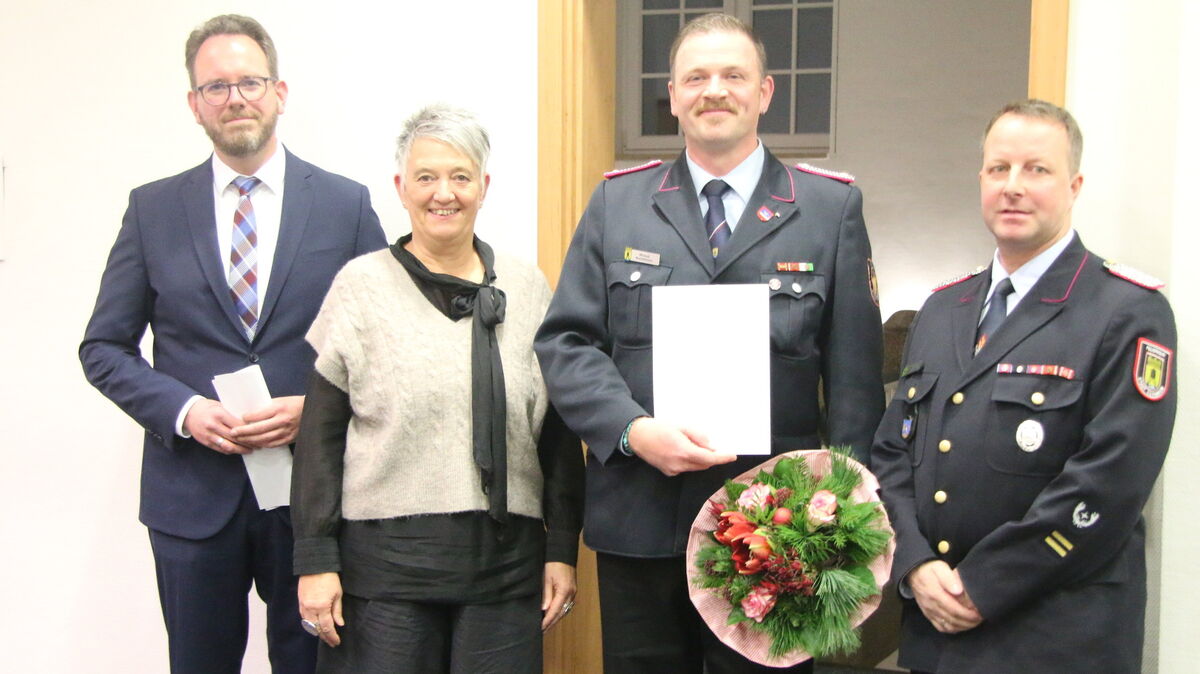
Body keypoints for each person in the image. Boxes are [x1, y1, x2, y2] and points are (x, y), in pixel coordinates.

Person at [534, 13, 883, 673]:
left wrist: (837, 521)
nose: (713, 90)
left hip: (778, 532)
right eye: (696, 77)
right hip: (643, 518)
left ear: (765, 92)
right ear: (672, 95)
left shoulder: (829, 209)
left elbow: (857, 385)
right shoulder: (618, 204)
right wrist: (633, 431)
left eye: (733, 75)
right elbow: (568, 344)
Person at [79, 14, 386, 674]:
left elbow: (390, 348)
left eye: (248, 81)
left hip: (312, 501)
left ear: (279, 90)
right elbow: (103, 347)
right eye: (216, 87)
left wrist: (315, 408)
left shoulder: (343, 205)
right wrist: (185, 413)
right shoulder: (152, 210)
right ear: (194, 105)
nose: (235, 98)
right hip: (192, 498)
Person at [870, 99, 1177, 673]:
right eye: (999, 169)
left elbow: (1109, 482)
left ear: (1074, 184)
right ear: (981, 179)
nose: (1014, 186)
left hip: (1056, 634)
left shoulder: (1127, 312)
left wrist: (982, 586)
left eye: (1037, 169)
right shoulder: (941, 310)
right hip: (938, 631)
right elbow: (892, 453)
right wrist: (914, 563)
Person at [290, 104, 584, 673]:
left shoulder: (527, 287)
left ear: (483, 186)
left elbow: (555, 432)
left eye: (459, 176)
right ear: (401, 188)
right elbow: (320, 438)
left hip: (504, 567)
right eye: (426, 177)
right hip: (385, 569)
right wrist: (315, 559)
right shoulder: (360, 287)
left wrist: (561, 547)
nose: (442, 193)